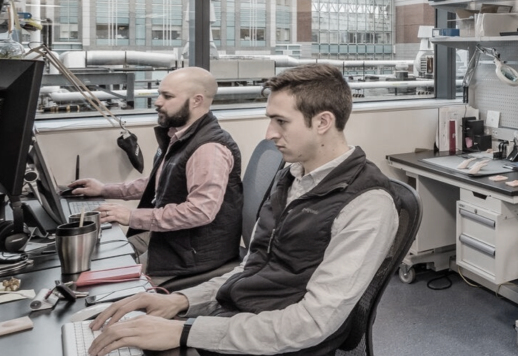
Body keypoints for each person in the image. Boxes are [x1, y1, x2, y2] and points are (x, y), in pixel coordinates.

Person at [86, 63, 399, 356]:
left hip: (279, 342)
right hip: (239, 319)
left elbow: (312, 323)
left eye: (281, 121)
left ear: (323, 122)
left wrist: (185, 331)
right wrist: (181, 301)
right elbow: (252, 267)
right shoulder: (292, 176)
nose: (269, 134)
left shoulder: (367, 203)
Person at [68, 67, 242, 283]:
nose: (158, 102)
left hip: (192, 254)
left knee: (99, 281)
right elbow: (161, 183)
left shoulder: (209, 148)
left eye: (167, 96)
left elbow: (199, 212)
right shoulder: (181, 136)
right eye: (160, 94)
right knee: (97, 257)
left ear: (196, 101)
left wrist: (130, 216)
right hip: (173, 240)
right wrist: (104, 189)